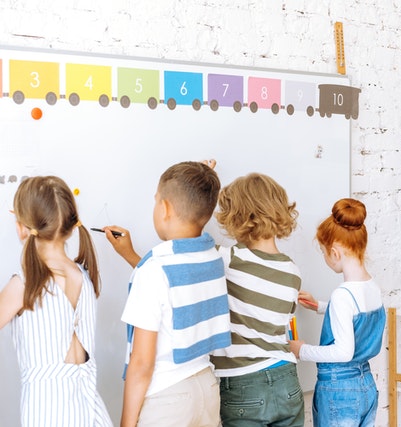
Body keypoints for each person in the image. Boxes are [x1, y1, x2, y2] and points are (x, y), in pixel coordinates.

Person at [101, 161, 232, 427]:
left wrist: (126, 423)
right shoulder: (212, 257)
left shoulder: (154, 270)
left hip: (166, 399)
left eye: (156, 200)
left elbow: (141, 363)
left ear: (165, 208)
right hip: (206, 388)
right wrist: (130, 255)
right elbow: (176, 283)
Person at [0, 176, 112, 426]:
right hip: (90, 410)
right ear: (71, 226)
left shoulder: (26, 285)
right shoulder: (84, 277)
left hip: (47, 412)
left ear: (21, 227)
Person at [209, 172, 305, 427]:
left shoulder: (228, 259)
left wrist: (129, 254)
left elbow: (179, 261)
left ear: (238, 217)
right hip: (287, 379)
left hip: (243, 384)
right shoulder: (292, 270)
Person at [289, 198, 385, 427]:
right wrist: (322, 306)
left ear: (334, 253)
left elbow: (343, 352)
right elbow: (357, 316)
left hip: (339, 390)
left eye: (323, 252)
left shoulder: (343, 295)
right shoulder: (372, 287)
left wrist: (302, 350)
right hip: (366, 385)